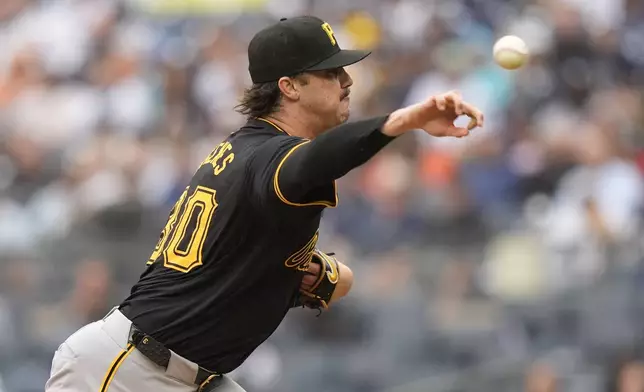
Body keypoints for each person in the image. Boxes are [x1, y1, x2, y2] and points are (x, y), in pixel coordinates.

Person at [45, 15, 484, 392]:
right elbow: (316, 161)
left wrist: (308, 275)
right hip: (128, 372)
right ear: (290, 87)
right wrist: (401, 121)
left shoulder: (249, 152)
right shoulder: (270, 158)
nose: (347, 81)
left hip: (190, 373)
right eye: (331, 72)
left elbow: (257, 278)